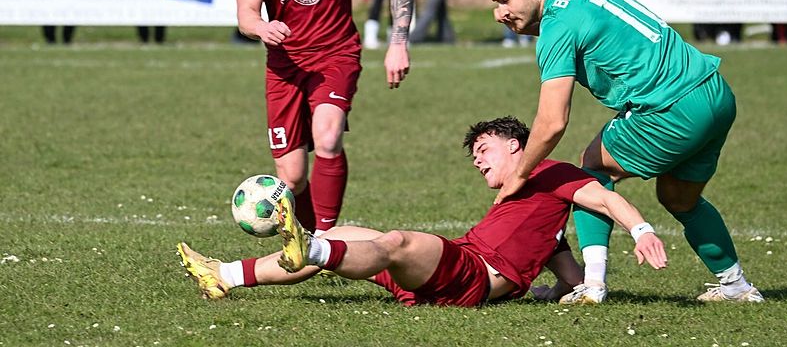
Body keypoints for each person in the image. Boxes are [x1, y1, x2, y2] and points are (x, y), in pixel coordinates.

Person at [471, 0, 763, 305]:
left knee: (592, 167)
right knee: (678, 198)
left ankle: (591, 286)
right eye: (495, 4)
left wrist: (519, 175)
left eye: (505, 0)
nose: (499, 13)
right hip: (714, 93)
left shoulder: (557, 26)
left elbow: (551, 123)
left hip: (671, 108)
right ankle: (736, 286)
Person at [177, 116, 667, 304]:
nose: (477, 158)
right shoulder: (526, 199)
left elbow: (603, 198)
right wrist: (565, 285)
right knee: (345, 228)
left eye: (484, 148)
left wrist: (641, 228)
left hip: (473, 274)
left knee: (397, 243)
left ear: (518, 145)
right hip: (457, 263)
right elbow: (553, 244)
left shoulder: (552, 172)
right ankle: (225, 275)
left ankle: (314, 249)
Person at [235, 0, 412, 240]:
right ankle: (310, 239)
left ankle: (328, 240)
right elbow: (246, 13)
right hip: (284, 66)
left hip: (336, 55)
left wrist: (398, 42)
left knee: (329, 137)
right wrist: (262, 28)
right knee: (293, 176)